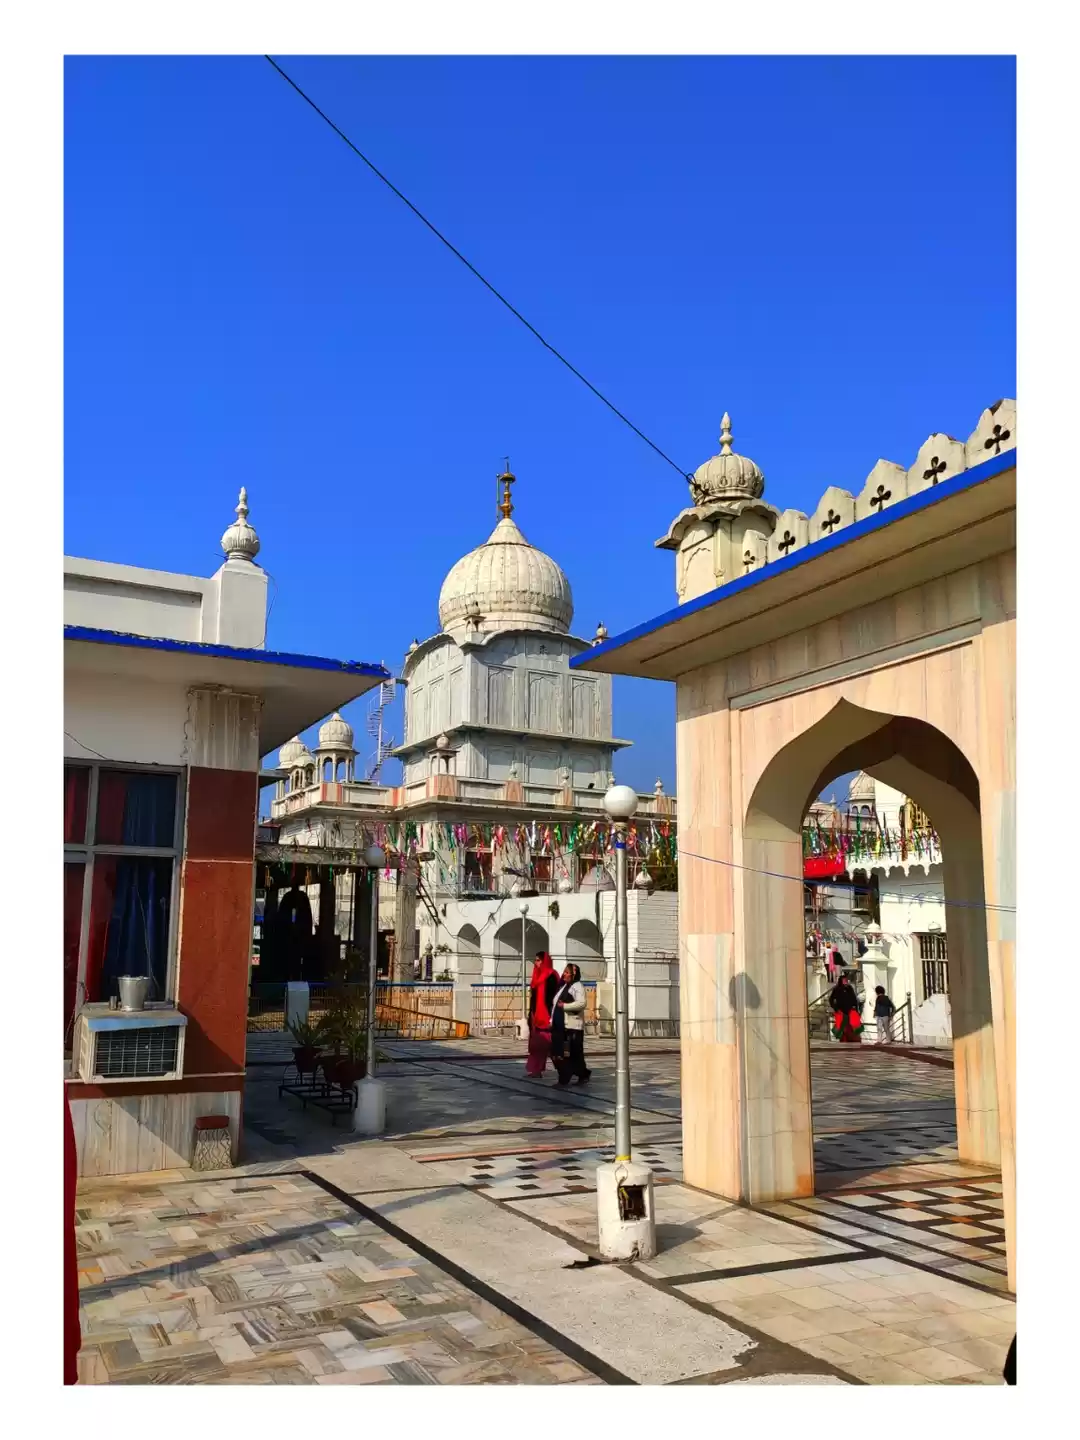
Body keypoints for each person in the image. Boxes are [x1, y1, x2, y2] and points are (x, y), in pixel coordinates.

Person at [551, 963, 590, 1086]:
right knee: (558, 1052)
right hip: (561, 1026)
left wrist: (566, 1006)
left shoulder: (577, 986)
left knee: (572, 1054)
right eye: (565, 972)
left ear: (574, 974)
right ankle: (576, 1074)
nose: (565, 975)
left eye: (568, 973)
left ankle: (569, 1077)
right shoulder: (565, 986)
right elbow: (555, 1003)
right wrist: (551, 1020)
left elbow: (582, 1003)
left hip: (573, 1027)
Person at [525, 951, 559, 1077]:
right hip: (536, 1015)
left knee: (549, 1045)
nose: (536, 963)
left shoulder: (551, 976)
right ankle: (536, 1070)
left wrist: (551, 1015)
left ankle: (565, 1070)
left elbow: (552, 998)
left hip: (546, 1015)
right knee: (536, 1045)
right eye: (536, 960)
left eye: (539, 960)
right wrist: (531, 1014)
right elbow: (534, 998)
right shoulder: (537, 976)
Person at [829, 972, 863, 1043]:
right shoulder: (837, 989)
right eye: (844, 980)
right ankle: (843, 1039)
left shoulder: (849, 988)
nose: (846, 981)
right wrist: (835, 1008)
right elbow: (831, 999)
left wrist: (856, 1008)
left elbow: (854, 998)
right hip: (841, 1010)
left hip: (850, 1010)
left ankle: (853, 1038)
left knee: (852, 1026)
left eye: (846, 980)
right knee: (842, 1026)